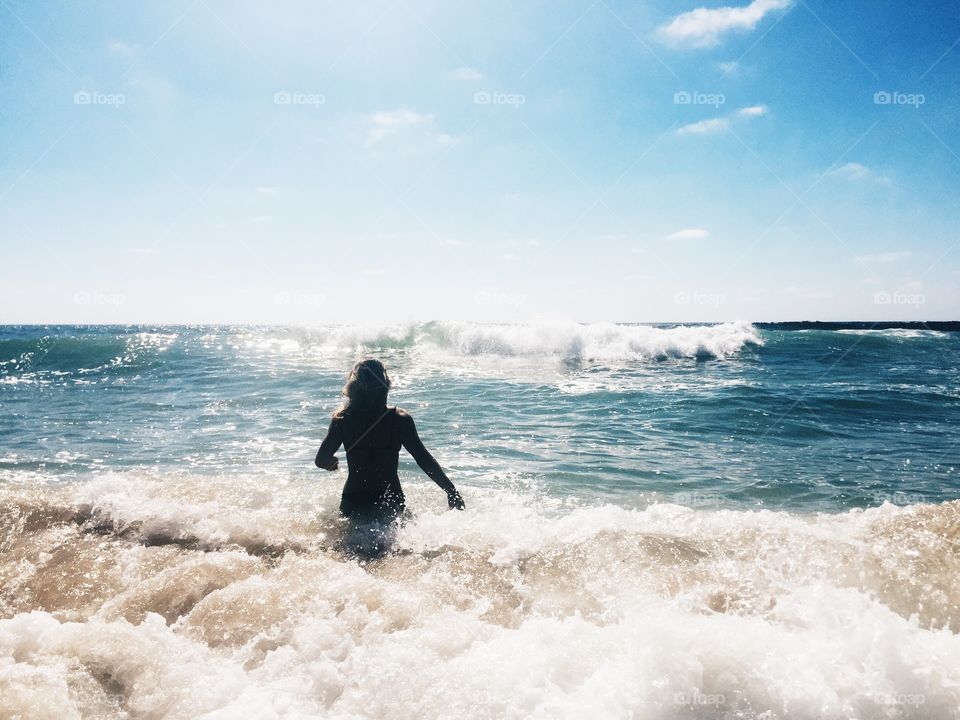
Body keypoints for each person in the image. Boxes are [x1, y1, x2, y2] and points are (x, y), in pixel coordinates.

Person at [315, 358, 465, 522]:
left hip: (354, 497)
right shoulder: (399, 419)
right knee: (395, 546)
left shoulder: (343, 420)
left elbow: (321, 460)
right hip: (389, 497)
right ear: (385, 383)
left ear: (354, 385)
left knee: (349, 546)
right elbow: (423, 459)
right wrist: (451, 491)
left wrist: (332, 463)